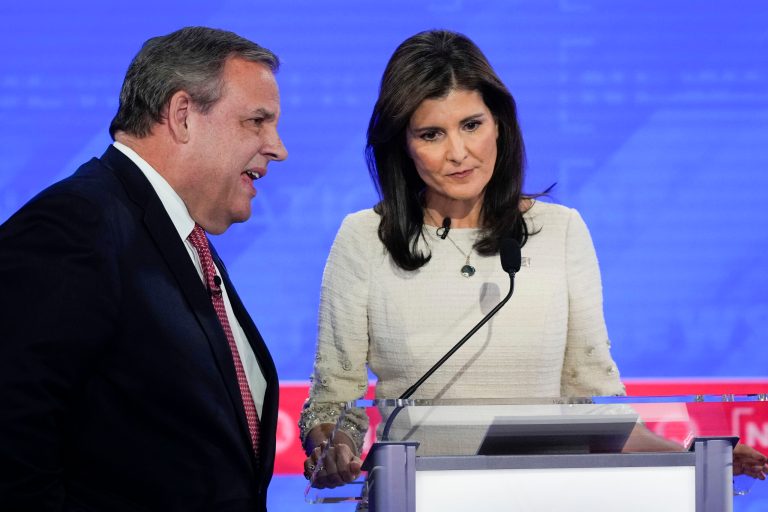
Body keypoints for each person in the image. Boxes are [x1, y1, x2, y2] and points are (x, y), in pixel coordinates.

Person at [297, 29, 768, 488]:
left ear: (498, 123)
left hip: (542, 494)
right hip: (413, 495)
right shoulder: (365, 238)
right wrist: (332, 447)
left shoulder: (560, 232)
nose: (458, 153)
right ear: (403, 143)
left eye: (472, 125)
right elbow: (333, 401)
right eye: (431, 134)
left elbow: (592, 415)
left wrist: (700, 460)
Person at [0, 26, 287, 511]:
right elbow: (13, 438)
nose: (278, 147)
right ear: (182, 116)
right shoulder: (77, 223)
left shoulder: (178, 235)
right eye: (256, 121)